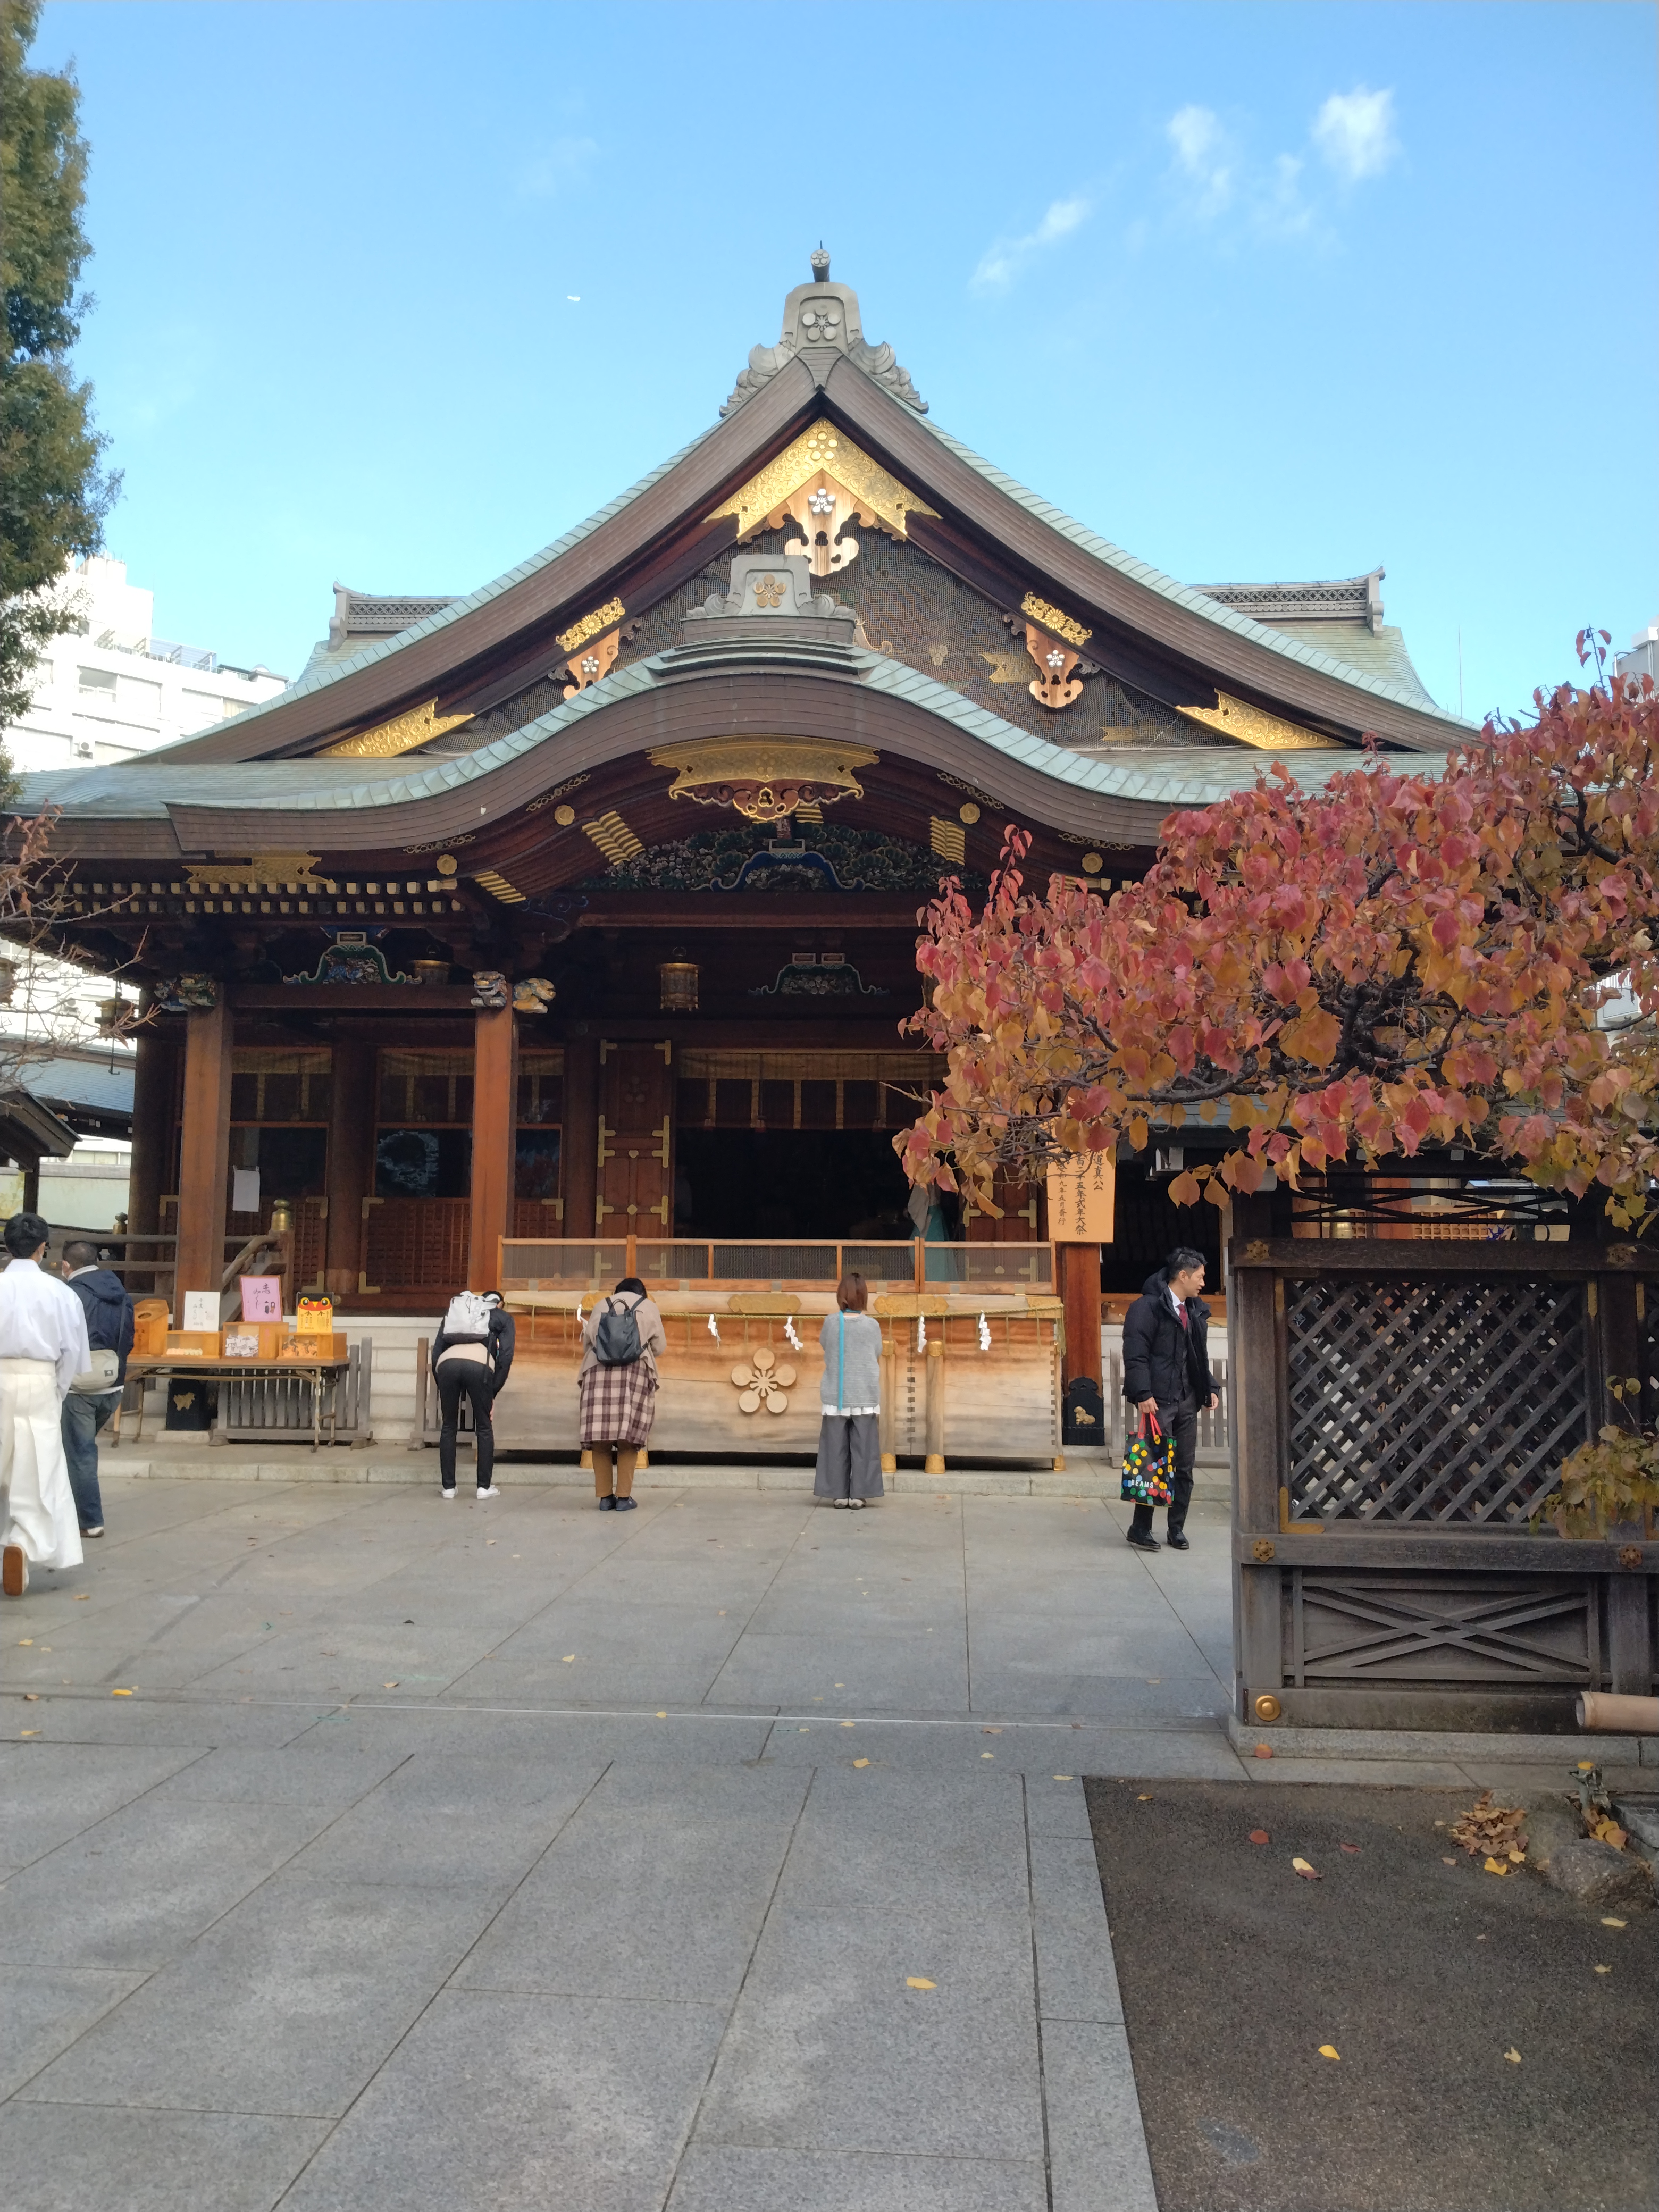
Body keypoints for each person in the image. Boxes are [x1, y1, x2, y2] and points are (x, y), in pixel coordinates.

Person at [0, 1213, 90, 1598]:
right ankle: (22, 1542)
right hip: (39, 1380)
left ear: (8, 1246)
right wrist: (57, 1390)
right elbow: (72, 1355)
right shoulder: (62, 1294)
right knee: (38, 1471)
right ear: (43, 1248)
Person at [1120, 1245, 1218, 1554]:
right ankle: (1140, 1528)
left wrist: (1210, 1387)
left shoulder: (1194, 1309)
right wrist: (1143, 1394)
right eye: (1200, 1277)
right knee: (1153, 1464)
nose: (1203, 1283)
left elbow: (1197, 1355)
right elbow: (1135, 1354)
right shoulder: (1146, 1307)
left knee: (1185, 1468)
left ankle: (1177, 1528)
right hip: (1158, 1400)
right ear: (1183, 1275)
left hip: (1187, 1399)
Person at [61, 1238, 134, 1538]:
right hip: (112, 1384)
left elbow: (62, 1339)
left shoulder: (70, 1294)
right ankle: (69, 1510)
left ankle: (90, 1521)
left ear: (66, 1266)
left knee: (80, 1454)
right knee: (78, 1452)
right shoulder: (121, 1292)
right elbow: (128, 1337)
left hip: (79, 1387)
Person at [578, 1275, 665, 1511]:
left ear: (616, 1292)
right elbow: (659, 1347)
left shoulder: (600, 1305)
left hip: (598, 1371)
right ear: (641, 1293)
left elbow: (587, 1342)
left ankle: (605, 1498)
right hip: (634, 1372)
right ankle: (624, 1498)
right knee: (629, 1437)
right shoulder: (648, 1307)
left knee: (601, 1437)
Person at [431, 1288, 514, 1500]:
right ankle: (484, 1488)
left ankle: (449, 1488)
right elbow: (505, 1357)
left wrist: (441, 1382)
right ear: (499, 1303)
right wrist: (493, 1392)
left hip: (447, 1364)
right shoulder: (502, 1317)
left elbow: (437, 1351)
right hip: (480, 1366)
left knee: (449, 1425)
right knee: (484, 1426)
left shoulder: (457, 1313)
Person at [815, 1271, 884, 1508]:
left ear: (840, 1296)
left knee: (835, 1445)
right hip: (865, 1390)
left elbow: (825, 1345)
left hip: (837, 1390)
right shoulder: (872, 1325)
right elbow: (877, 1352)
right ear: (864, 1296)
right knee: (864, 1446)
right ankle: (859, 1494)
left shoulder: (831, 1323)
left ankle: (838, 1493)